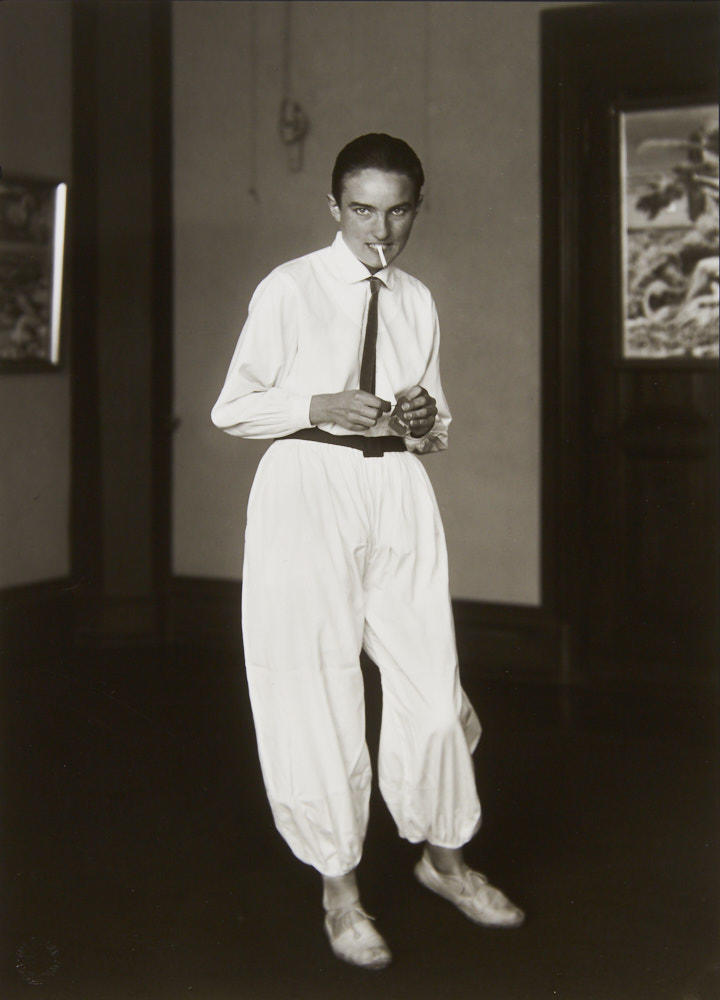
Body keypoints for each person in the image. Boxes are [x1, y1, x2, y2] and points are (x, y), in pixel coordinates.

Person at [211, 133, 524, 970]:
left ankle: (444, 859)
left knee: (432, 683)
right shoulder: (289, 288)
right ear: (333, 207)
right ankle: (340, 893)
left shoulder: (417, 298)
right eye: (361, 210)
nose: (378, 230)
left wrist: (422, 422)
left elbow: (434, 422)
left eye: (396, 212)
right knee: (314, 688)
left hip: (396, 495)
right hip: (305, 489)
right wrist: (314, 401)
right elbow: (232, 408)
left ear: (416, 209)